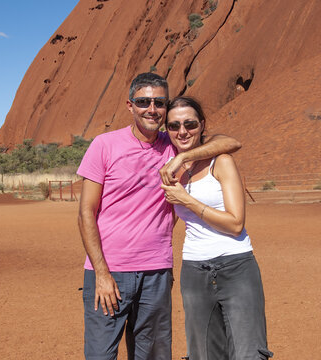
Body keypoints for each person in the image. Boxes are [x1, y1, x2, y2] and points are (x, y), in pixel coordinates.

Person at [77, 73, 241, 360]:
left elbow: (230, 142)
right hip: (109, 272)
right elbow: (86, 213)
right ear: (130, 105)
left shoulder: (175, 144)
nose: (151, 109)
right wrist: (101, 273)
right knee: (100, 354)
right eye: (143, 101)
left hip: (156, 272)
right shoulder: (104, 145)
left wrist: (181, 157)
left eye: (159, 103)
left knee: (153, 355)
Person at [161, 96, 273, 360]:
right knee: (203, 353)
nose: (183, 131)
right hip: (194, 270)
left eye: (190, 124)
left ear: (201, 125)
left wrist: (186, 198)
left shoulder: (220, 161)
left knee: (248, 353)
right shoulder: (170, 170)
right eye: (174, 126)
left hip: (235, 266)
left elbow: (235, 224)